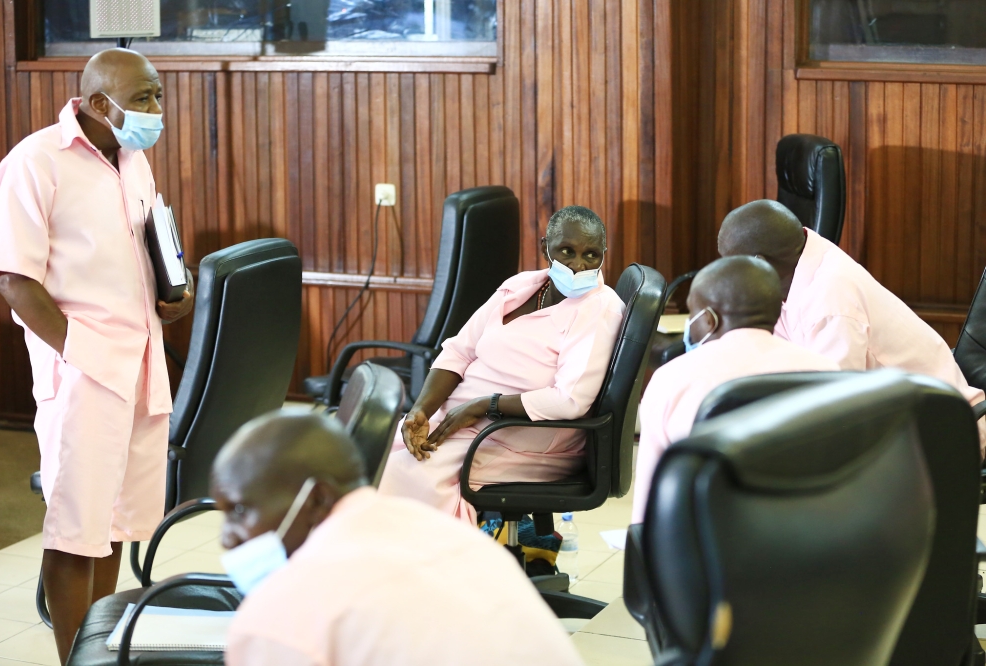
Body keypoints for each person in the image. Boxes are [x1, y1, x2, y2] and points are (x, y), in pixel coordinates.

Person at [0, 49, 193, 662]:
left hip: (141, 364)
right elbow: (12, 280)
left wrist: (172, 294)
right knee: (76, 530)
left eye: (159, 95)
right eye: (146, 98)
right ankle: (75, 657)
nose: (158, 110)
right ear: (100, 103)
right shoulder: (35, 161)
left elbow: (145, 248)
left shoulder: (132, 159)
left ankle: (101, 651)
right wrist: (82, 355)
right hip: (82, 373)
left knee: (118, 526)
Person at [215, 410, 586, 666]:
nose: (226, 538)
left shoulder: (287, 610)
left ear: (316, 498)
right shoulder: (447, 533)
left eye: (239, 511)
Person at [377, 206, 626, 524]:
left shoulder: (599, 309)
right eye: (567, 251)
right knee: (366, 456)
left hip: (520, 436)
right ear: (544, 247)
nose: (578, 266)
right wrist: (421, 410)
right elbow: (459, 351)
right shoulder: (521, 286)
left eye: (591, 255)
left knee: (401, 478)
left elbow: (570, 400)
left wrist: (485, 406)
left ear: (604, 254)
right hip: (459, 420)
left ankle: (432, 570)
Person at [717, 199, 986, 451]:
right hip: (892, 419)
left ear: (759, 263)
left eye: (729, 264)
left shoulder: (830, 301)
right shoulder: (798, 260)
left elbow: (837, 409)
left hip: (940, 433)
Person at [631, 256, 839, 523]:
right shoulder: (827, 372)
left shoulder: (672, 378)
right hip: (810, 538)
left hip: (706, 546)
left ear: (708, 319)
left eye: (692, 315)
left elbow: (650, 504)